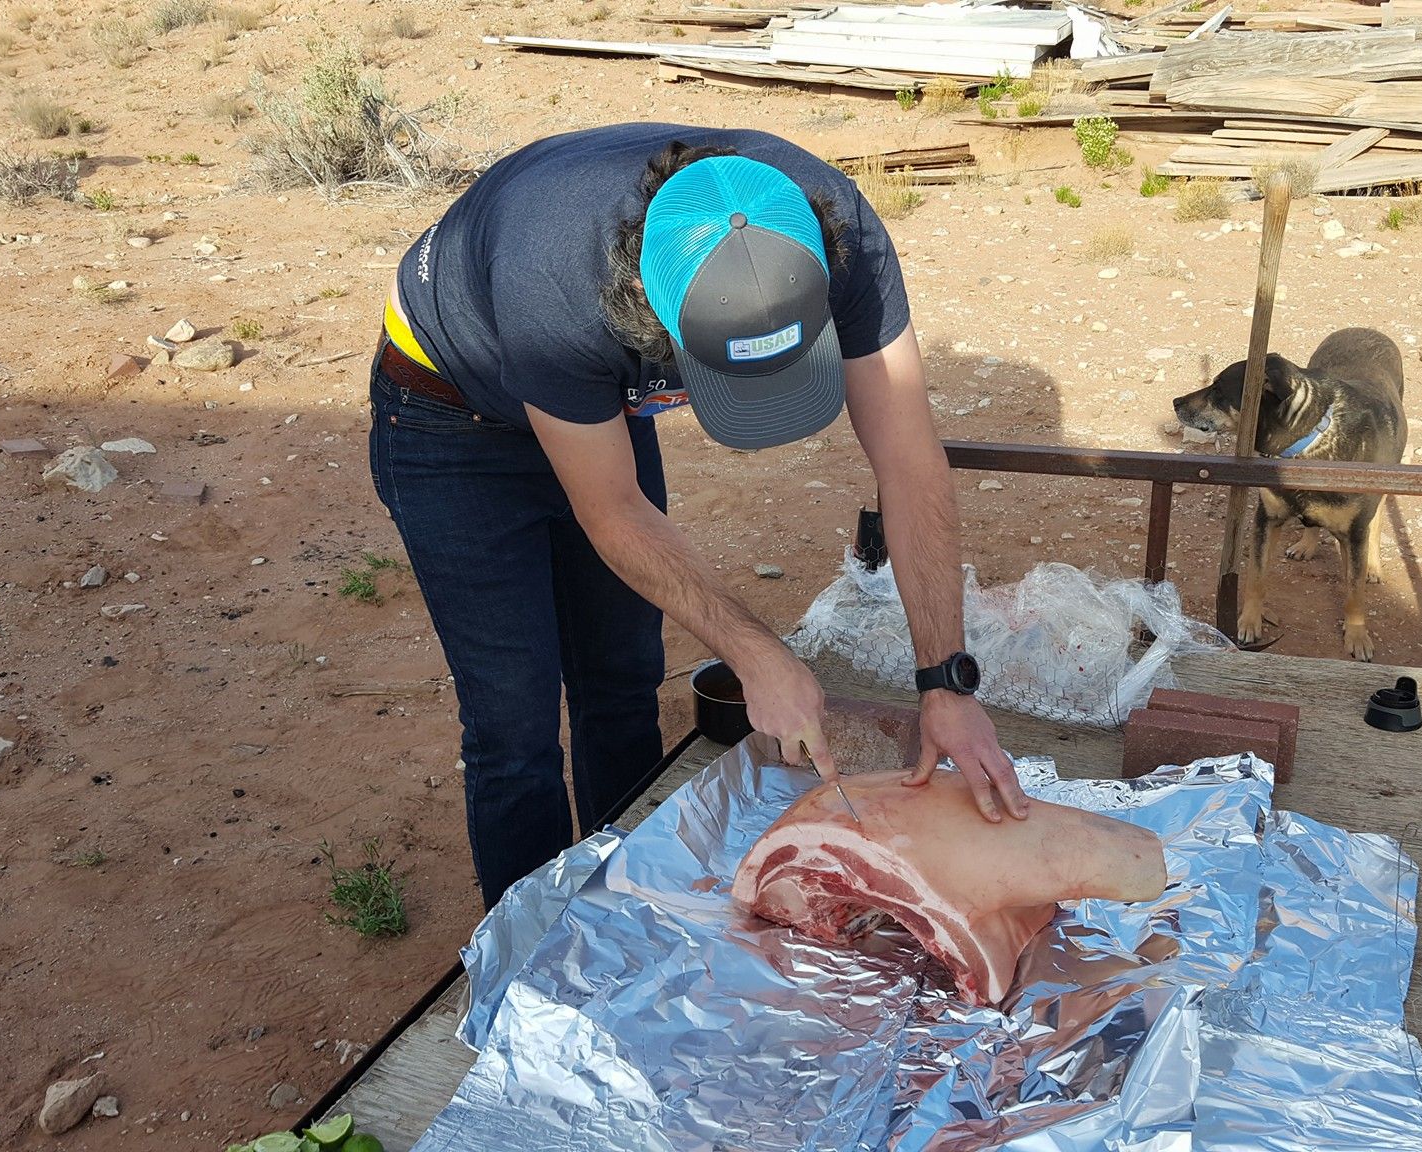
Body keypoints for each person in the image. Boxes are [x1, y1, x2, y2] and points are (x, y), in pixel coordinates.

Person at [370, 123, 1028, 905]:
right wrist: (758, 655)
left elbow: (911, 462)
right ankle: (532, 944)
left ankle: (625, 902)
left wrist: (948, 686)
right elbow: (612, 511)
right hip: (455, 415)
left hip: (594, 405)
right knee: (514, 723)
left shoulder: (839, 232)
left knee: (620, 676)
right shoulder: (556, 283)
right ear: (652, 309)